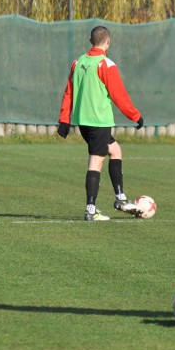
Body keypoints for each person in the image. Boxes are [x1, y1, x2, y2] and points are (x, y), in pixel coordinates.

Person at [57, 26, 144, 221]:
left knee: (115, 151)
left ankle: (120, 198)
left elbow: (68, 93)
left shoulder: (77, 63)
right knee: (96, 161)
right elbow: (119, 95)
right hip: (99, 121)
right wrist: (135, 116)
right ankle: (90, 210)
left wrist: (64, 120)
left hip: (84, 123)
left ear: (91, 41)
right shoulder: (106, 64)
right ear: (108, 42)